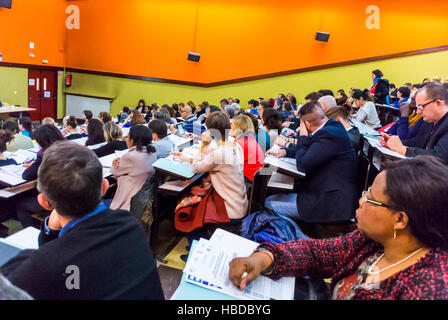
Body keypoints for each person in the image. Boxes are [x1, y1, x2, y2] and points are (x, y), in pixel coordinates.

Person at [229, 155, 448, 300]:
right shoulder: (373, 241)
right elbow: (317, 253)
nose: (360, 201)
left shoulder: (427, 289)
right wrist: (264, 258)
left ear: (400, 220)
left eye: (370, 198)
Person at [2, 142, 164, 300]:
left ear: (44, 201)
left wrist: (49, 232)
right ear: (104, 187)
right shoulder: (130, 223)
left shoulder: (41, 267)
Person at [265, 102, 358, 224]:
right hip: (326, 191)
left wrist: (303, 135)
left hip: (330, 202)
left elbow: (303, 165)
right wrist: (285, 152)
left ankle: (300, 238)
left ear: (307, 124)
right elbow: (312, 149)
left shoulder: (328, 134)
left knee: (270, 203)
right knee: (277, 193)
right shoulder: (332, 126)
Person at [172, 111, 248, 220]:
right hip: (239, 203)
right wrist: (186, 158)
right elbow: (213, 164)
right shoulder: (235, 144)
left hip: (229, 209)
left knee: (188, 207)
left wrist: (203, 147)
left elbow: (196, 168)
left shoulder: (219, 153)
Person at [380, 82, 448, 163]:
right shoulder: (430, 121)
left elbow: (439, 157)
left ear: (438, 103)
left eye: (421, 106)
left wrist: (403, 149)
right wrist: (391, 142)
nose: (418, 112)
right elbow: (416, 143)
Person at [17, 125, 65, 227]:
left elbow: (26, 175)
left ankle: (30, 233)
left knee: (21, 204)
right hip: (71, 194)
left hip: (56, 201)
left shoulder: (46, 155)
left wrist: (36, 164)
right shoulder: (68, 149)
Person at [109, 125, 157, 211]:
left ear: (133, 140)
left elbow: (113, 171)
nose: (126, 139)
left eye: (127, 137)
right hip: (143, 196)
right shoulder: (152, 152)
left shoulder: (130, 156)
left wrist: (115, 163)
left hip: (129, 201)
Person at [230, 115, 264, 182]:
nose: (230, 126)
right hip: (254, 180)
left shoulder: (240, 144)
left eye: (232, 124)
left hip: (247, 182)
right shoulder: (250, 139)